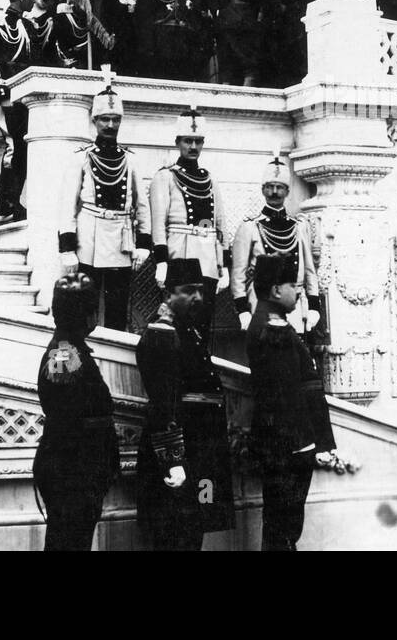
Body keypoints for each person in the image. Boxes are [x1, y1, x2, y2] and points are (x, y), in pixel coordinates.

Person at [134, 258, 234, 550]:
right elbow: (163, 402)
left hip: (199, 449)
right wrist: (173, 461)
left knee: (192, 530)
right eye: (190, 291)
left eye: (200, 291)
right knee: (176, 534)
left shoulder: (186, 328)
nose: (198, 298)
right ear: (169, 293)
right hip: (182, 453)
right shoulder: (162, 332)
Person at [246, 253, 336, 551]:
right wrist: (303, 443)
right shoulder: (271, 330)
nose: (298, 291)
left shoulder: (277, 325)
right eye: (292, 285)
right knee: (283, 528)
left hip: (290, 443)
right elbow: (285, 395)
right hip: (287, 445)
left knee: (284, 527)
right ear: (275, 290)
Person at [34, 272, 120, 551]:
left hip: (76, 471)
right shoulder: (64, 355)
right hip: (73, 473)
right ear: (85, 314)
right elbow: (66, 419)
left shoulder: (71, 350)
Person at [59, 86, 149, 332]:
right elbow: (67, 204)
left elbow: (142, 205)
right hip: (89, 240)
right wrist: (66, 248)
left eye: (116, 119)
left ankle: (114, 364)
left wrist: (143, 243)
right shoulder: (81, 157)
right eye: (105, 119)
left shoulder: (130, 159)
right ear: (94, 121)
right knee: (83, 306)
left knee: (118, 309)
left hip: (121, 240)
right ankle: (82, 361)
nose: (110, 125)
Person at [231, 153, 323, 345]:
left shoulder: (298, 227)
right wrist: (243, 310)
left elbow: (309, 271)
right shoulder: (250, 227)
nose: (274, 192)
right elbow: (238, 274)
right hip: (261, 303)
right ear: (263, 190)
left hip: (295, 302)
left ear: (287, 191)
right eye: (270, 187)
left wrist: (314, 306)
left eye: (279, 188)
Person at [149, 106, 230, 299]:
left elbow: (220, 226)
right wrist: (161, 262)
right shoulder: (165, 177)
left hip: (208, 257)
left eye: (198, 141)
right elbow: (159, 224)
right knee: (181, 316)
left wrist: (224, 265)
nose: (193, 147)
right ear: (177, 142)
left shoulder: (210, 179)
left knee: (204, 316)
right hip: (179, 254)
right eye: (188, 141)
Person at [0, 0, 36, 224]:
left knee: (23, 148)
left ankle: (13, 200)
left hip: (23, 96)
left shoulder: (28, 27)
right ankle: (5, 204)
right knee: (12, 146)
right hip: (6, 94)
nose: (31, 0)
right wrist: (4, 84)